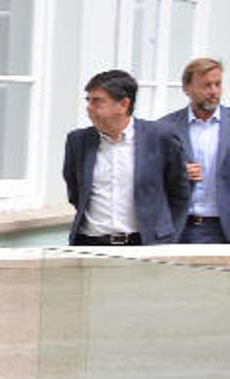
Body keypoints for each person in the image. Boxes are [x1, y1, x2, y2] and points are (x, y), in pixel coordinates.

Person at [64, 69, 189, 246]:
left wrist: (168, 236)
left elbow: (179, 192)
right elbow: (75, 192)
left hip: (144, 244)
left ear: (123, 105)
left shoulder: (160, 137)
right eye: (88, 100)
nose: (89, 108)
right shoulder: (78, 141)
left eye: (97, 101)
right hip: (91, 244)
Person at [159, 58, 228, 243]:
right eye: (206, 85)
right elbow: (150, 180)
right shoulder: (165, 128)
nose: (214, 91)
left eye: (218, 84)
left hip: (223, 228)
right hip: (178, 228)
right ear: (186, 88)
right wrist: (177, 173)